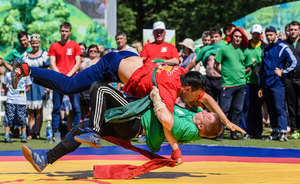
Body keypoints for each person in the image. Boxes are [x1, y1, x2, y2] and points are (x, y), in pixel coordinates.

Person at [12, 51, 245, 146]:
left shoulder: (184, 74)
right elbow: (165, 119)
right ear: (186, 89)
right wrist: (175, 147)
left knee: (120, 102)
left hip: (129, 60)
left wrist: (226, 122)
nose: (198, 102)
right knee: (67, 86)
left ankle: (89, 125)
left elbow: (209, 101)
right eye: (196, 98)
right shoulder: (166, 90)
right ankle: (26, 69)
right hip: (111, 65)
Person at [22, 82, 223, 172]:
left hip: (134, 120)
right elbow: (198, 99)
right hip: (132, 123)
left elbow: (165, 119)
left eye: (207, 115)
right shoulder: (192, 117)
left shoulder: (190, 129)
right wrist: (175, 149)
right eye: (206, 110)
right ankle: (45, 160)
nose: (204, 111)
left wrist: (156, 98)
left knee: (99, 88)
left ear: (203, 127)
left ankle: (94, 132)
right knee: (80, 128)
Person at [258, 26, 298, 141]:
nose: (269, 37)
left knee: (279, 108)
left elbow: (294, 62)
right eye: (267, 35)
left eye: (271, 35)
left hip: (278, 84)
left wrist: (283, 72)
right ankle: (275, 131)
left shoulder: (283, 47)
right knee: (270, 109)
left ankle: (283, 132)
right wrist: (261, 86)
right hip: (267, 84)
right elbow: (263, 69)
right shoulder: (265, 49)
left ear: (276, 35)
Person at [214, 27, 252, 141]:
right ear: (231, 37)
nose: (238, 39)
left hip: (241, 84)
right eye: (236, 36)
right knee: (224, 109)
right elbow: (216, 65)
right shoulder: (224, 49)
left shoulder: (246, 51)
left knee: (238, 109)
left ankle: (233, 133)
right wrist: (225, 74)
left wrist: (241, 73)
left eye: (240, 37)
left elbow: (249, 67)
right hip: (227, 84)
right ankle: (220, 132)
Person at [47, 22, 82, 134]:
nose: (64, 33)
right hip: (58, 80)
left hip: (73, 80)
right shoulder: (54, 46)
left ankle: (76, 132)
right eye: (62, 31)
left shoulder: (75, 45)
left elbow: (78, 63)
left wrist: (68, 75)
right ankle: (55, 132)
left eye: (66, 31)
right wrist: (61, 76)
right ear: (60, 31)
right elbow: (52, 63)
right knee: (56, 107)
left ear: (70, 32)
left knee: (76, 107)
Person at [240, 24, 267, 139]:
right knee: (246, 107)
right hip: (247, 81)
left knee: (257, 107)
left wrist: (261, 68)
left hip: (259, 82)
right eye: (254, 33)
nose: (256, 35)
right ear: (251, 33)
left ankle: (258, 132)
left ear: (261, 34)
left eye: (258, 33)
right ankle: (247, 131)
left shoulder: (265, 47)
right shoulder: (245, 46)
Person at [186, 27, 226, 105]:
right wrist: (183, 71)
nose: (214, 39)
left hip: (222, 79)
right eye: (212, 37)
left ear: (221, 37)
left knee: (224, 105)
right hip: (209, 80)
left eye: (216, 36)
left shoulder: (225, 47)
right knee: (209, 104)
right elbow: (194, 61)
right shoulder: (206, 49)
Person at [21, 34, 50, 140]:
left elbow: (47, 70)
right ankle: (31, 132)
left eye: (37, 42)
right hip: (29, 84)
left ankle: (37, 132)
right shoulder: (25, 55)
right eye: (33, 42)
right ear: (30, 43)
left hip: (40, 84)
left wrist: (48, 86)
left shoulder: (44, 55)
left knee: (39, 110)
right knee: (29, 110)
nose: (35, 44)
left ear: (40, 43)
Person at [2, 67, 32, 143]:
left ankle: (24, 136)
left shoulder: (25, 76)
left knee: (22, 119)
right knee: (9, 118)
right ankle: (6, 136)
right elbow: (4, 85)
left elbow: (29, 87)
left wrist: (23, 93)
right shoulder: (8, 75)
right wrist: (9, 92)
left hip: (21, 101)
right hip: (11, 100)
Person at [284, 21, 300, 139]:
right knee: (291, 105)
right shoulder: (284, 44)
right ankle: (295, 130)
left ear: (299, 30)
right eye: (291, 29)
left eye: (295, 29)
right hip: (289, 79)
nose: (292, 31)